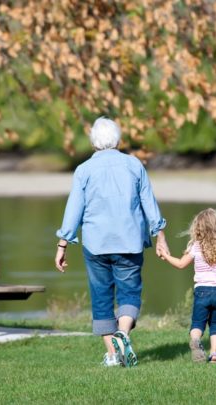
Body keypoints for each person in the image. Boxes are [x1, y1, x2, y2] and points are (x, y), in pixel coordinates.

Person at [54, 117, 169, 368]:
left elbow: (74, 208)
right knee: (129, 293)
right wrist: (160, 235)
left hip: (96, 245)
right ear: (118, 139)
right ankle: (123, 335)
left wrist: (63, 244)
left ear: (94, 141)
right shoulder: (134, 165)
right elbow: (149, 202)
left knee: (101, 298)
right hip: (129, 242)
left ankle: (113, 355)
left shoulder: (84, 170)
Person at [157, 208, 216, 364]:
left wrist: (166, 256)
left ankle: (195, 340)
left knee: (197, 323)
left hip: (202, 291)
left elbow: (181, 264)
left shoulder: (196, 246)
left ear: (198, 228)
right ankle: (214, 355)